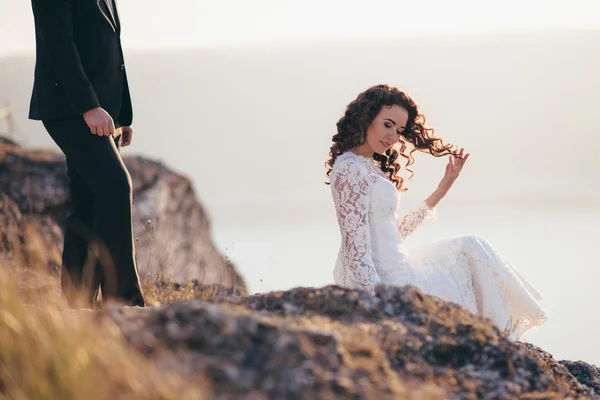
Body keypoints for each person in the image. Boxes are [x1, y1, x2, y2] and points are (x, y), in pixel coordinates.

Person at [326, 84, 546, 339]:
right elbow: (355, 250)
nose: (393, 137)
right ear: (367, 117)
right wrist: (383, 303)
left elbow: (392, 234)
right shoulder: (350, 169)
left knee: (472, 248)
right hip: (387, 281)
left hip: (398, 268)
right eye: (388, 125)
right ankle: (499, 340)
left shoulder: (368, 166)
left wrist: (442, 188)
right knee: (470, 248)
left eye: (399, 131)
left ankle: (498, 338)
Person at [29, 0, 145, 307]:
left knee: (88, 201)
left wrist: (119, 115)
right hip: (70, 107)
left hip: (98, 112)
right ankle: (125, 302)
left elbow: (110, 49)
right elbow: (59, 43)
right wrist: (89, 107)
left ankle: (76, 303)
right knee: (116, 186)